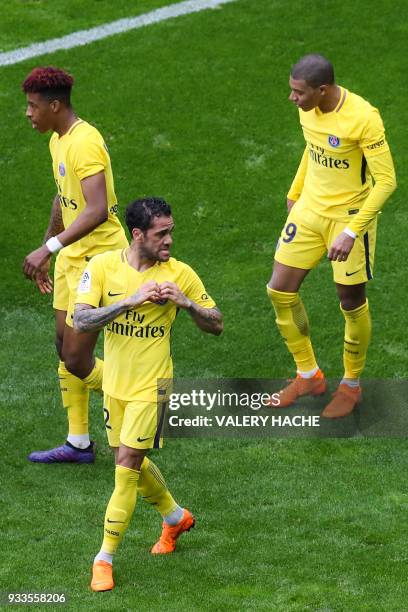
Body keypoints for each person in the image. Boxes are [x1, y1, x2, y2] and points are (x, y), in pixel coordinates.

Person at [73, 197, 223, 591]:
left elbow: (217, 324)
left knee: (123, 471)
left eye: (171, 231)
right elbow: (81, 318)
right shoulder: (103, 267)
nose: (170, 240)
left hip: (152, 388)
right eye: (162, 233)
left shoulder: (180, 274)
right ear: (138, 234)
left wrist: (186, 303)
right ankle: (175, 518)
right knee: (132, 466)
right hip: (114, 386)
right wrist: (129, 301)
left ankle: (103, 558)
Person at [267, 54, 396, 418]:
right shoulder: (307, 109)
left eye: (299, 92)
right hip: (310, 209)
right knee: (279, 289)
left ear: (322, 90)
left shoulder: (363, 118)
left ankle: (351, 385)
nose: (292, 98)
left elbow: (387, 181)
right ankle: (308, 374)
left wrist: (352, 233)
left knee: (350, 301)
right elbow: (314, 148)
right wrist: (295, 191)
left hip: (350, 216)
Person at [22, 67, 128, 462]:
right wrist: (49, 247)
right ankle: (79, 442)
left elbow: (98, 210)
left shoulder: (86, 142)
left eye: (33, 106)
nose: (28, 114)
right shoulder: (57, 140)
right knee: (62, 347)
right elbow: (64, 199)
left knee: (77, 358)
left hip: (99, 259)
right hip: (72, 256)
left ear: (55, 105)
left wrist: (48, 248)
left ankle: (140, 399)